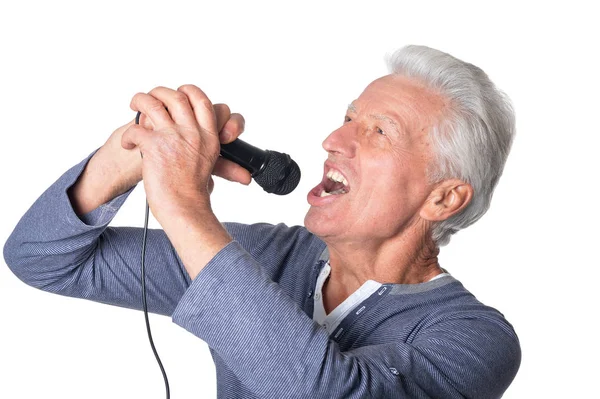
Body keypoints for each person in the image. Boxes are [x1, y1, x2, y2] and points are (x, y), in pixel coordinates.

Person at [3, 45, 521, 398]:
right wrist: (132, 153)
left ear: (444, 198)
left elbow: (323, 391)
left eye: (379, 132)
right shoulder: (270, 256)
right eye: (347, 118)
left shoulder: (475, 339)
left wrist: (186, 208)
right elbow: (41, 258)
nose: (333, 142)